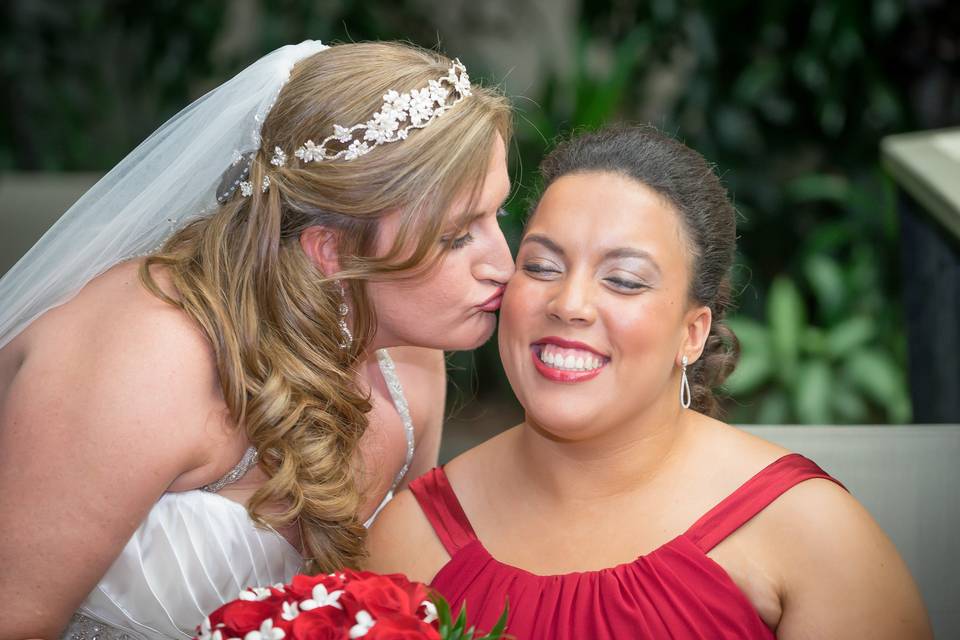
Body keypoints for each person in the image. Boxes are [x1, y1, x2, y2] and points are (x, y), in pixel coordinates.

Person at [0, 41, 514, 639]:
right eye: (457, 237)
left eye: (497, 215)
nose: (502, 265)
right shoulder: (148, 360)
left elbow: (389, 597)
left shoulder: (414, 353)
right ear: (331, 251)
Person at [366, 125, 933, 639]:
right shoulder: (409, 538)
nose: (570, 304)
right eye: (541, 267)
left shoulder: (811, 533)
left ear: (692, 333)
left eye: (624, 280)